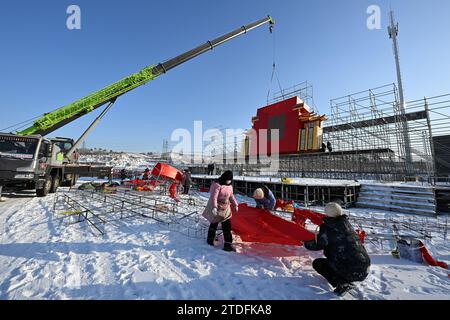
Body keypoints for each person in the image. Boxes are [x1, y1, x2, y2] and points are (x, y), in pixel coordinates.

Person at [304, 202, 371, 296]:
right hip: (364, 267)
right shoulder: (346, 224)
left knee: (318, 263)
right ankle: (345, 278)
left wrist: (305, 243)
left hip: (351, 269)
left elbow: (318, 245)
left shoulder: (327, 227)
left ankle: (342, 283)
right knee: (339, 258)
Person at [202, 170, 238, 252]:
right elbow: (214, 197)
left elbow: (231, 196)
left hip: (226, 208)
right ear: (224, 177)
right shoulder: (217, 185)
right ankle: (210, 241)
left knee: (227, 227)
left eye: (230, 179)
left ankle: (228, 245)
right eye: (228, 179)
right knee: (214, 224)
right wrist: (214, 207)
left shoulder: (229, 186)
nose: (229, 181)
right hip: (217, 208)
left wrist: (235, 204)